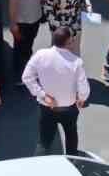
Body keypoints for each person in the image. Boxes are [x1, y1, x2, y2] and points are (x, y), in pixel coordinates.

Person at [22, 24, 90, 154]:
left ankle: (39, 165)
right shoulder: (76, 62)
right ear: (69, 42)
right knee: (71, 136)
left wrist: (43, 95)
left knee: (44, 141)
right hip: (69, 108)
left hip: (47, 107)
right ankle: (72, 161)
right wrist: (81, 99)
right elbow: (83, 88)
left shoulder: (40, 55)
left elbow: (27, 77)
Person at [8, 0, 43, 78]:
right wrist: (13, 25)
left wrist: (42, 0)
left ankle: (27, 67)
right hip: (23, 21)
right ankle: (18, 74)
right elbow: (12, 4)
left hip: (36, 17)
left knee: (29, 44)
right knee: (19, 48)